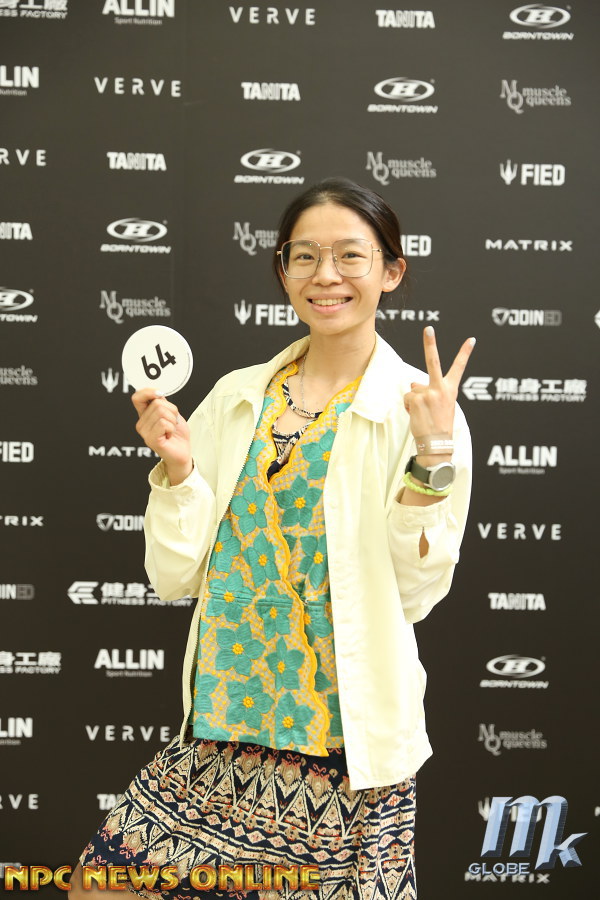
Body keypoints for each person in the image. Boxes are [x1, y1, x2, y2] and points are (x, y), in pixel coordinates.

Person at [72, 177, 474, 899]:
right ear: (283, 270)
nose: (326, 275)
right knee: (101, 886)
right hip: (222, 724)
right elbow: (174, 576)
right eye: (305, 256)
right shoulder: (237, 396)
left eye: (351, 256)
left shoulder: (419, 411)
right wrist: (179, 471)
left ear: (391, 271)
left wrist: (432, 459)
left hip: (338, 750)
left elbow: (416, 592)